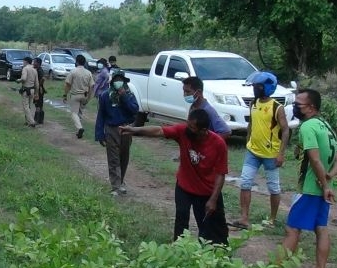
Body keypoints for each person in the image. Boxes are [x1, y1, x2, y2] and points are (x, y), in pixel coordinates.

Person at [125, 108, 229, 245]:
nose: (188, 129)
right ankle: (179, 249)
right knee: (181, 217)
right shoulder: (182, 131)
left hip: (206, 192)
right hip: (184, 186)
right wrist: (135, 130)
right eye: (188, 124)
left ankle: (214, 254)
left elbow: (221, 174)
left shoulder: (218, 144)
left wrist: (213, 199)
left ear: (203, 130)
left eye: (192, 127)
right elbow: (159, 131)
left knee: (209, 226)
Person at [280, 89, 337, 268]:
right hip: (323, 187)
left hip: (309, 188)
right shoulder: (326, 125)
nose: (295, 107)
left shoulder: (308, 127)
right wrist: (329, 178)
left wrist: (323, 184)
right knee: (321, 229)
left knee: (292, 229)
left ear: (311, 107)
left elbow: (314, 159)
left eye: (299, 104)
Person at [232, 71, 290, 230]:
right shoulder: (253, 104)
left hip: (271, 155)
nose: (254, 89)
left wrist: (281, 153)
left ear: (266, 87)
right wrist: (248, 140)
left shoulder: (277, 108)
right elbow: (251, 123)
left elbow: (285, 130)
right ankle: (244, 217)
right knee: (245, 182)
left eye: (258, 86)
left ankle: (272, 219)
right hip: (253, 152)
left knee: (273, 187)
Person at [99, 71, 141, 195]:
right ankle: (115, 186)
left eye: (120, 80)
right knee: (113, 158)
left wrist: (124, 97)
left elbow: (134, 110)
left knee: (124, 157)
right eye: (116, 80)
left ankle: (121, 181)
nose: (118, 82)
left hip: (126, 128)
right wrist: (100, 134)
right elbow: (101, 116)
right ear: (112, 82)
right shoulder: (105, 96)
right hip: (111, 129)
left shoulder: (130, 95)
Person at [62, 54, 94, 139]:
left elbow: (68, 84)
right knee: (80, 113)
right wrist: (89, 98)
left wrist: (65, 94)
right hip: (85, 95)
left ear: (77, 62)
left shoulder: (73, 71)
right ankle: (79, 131)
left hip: (75, 95)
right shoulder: (88, 73)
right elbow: (91, 86)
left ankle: (80, 128)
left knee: (74, 113)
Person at [91, 58, 112, 143]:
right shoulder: (101, 71)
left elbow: (109, 77)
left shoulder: (104, 71)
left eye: (99, 63)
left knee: (101, 112)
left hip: (102, 94)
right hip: (100, 93)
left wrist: (105, 84)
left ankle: (103, 130)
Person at [18, 56, 39, 127]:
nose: (22, 63)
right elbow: (37, 83)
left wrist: (19, 80)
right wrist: (36, 93)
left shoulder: (25, 68)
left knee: (26, 107)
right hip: (32, 90)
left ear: (26, 62)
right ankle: (27, 121)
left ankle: (32, 122)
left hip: (26, 90)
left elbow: (23, 78)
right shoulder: (34, 69)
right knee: (29, 106)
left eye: (23, 61)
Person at [32, 56, 47, 124]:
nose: (33, 63)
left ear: (38, 63)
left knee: (38, 105)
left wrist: (39, 85)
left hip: (39, 90)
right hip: (39, 89)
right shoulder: (37, 69)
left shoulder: (39, 70)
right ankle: (41, 120)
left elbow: (43, 78)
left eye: (34, 62)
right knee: (39, 105)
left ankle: (36, 120)